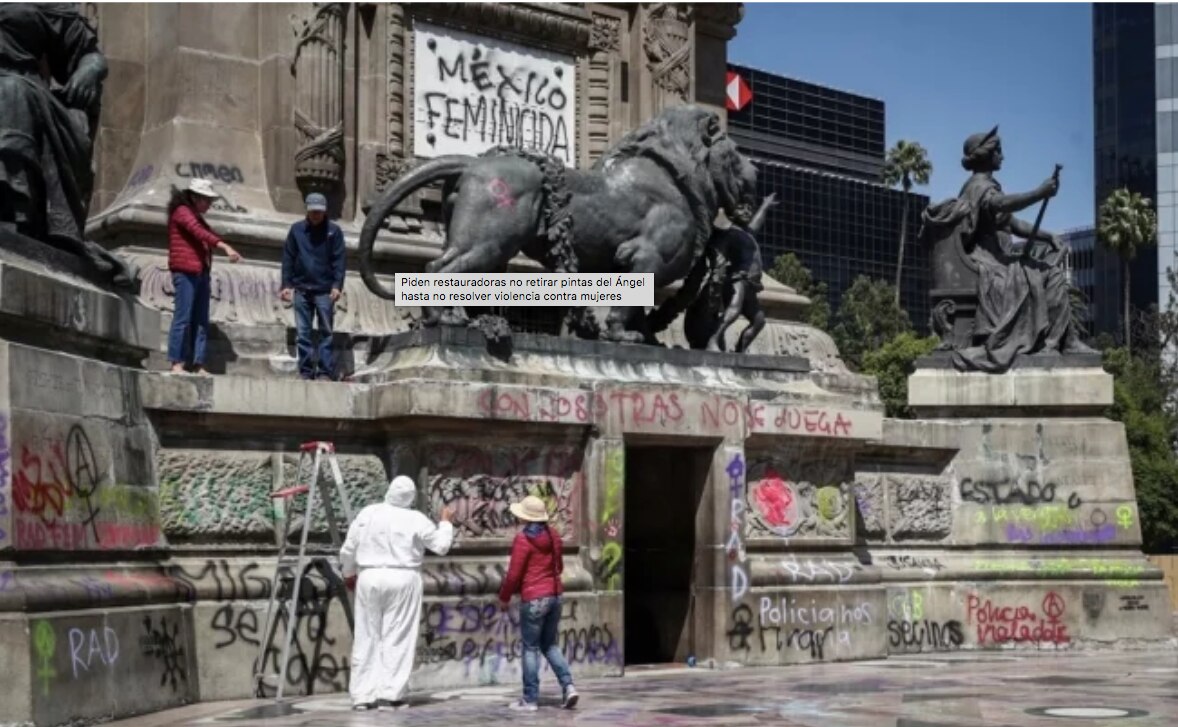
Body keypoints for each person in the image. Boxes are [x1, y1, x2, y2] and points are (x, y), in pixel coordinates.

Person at [921, 127, 1093, 371]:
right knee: (1050, 275)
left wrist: (1048, 236)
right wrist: (1038, 193)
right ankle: (1057, 342)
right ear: (986, 155)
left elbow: (1011, 223)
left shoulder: (987, 186)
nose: (1002, 156)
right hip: (988, 261)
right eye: (998, 151)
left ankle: (1062, 340)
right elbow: (1001, 204)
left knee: (1045, 272)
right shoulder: (979, 187)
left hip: (998, 258)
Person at [0, 4, 134, 287]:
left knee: (9, 92)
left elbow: (88, 54)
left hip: (17, 87)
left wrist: (90, 70)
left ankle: (12, 211)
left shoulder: (41, 6)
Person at [339, 475, 454, 712]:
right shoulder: (416, 518)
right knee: (398, 636)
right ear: (411, 497)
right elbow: (441, 546)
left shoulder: (368, 513)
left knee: (366, 635)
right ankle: (390, 695)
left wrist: (348, 572)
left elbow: (349, 547)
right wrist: (445, 523)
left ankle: (362, 695)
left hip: (370, 575)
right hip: (403, 577)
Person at [498, 495, 578, 712]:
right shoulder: (554, 535)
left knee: (530, 648)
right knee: (550, 645)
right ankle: (569, 686)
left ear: (526, 517)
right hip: (555, 596)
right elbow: (559, 567)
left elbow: (514, 575)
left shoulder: (523, 539)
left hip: (534, 598)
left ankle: (530, 699)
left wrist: (504, 597)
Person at [166, 179, 242, 374]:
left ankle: (198, 363)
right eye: (206, 200)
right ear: (195, 197)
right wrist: (224, 246)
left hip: (200, 272)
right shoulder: (182, 212)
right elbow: (199, 232)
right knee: (183, 318)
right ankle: (176, 362)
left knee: (200, 320)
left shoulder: (196, 216)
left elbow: (207, 233)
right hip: (186, 271)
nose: (209, 204)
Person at [280, 193, 346, 381]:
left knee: (326, 332)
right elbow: (288, 258)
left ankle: (325, 371)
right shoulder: (296, 230)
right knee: (303, 333)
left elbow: (339, 260)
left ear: (325, 212)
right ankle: (306, 371)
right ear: (307, 210)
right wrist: (286, 284)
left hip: (324, 289)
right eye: (313, 211)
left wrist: (337, 285)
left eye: (319, 212)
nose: (316, 215)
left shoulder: (334, 231)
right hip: (302, 288)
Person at [704, 194, 775, 353]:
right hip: (738, 279)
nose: (746, 211)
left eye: (749, 208)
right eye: (741, 208)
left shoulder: (746, 234)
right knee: (734, 310)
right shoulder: (729, 233)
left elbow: (756, 223)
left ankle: (739, 351)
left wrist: (765, 205)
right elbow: (719, 256)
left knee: (759, 320)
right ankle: (713, 339)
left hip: (750, 283)